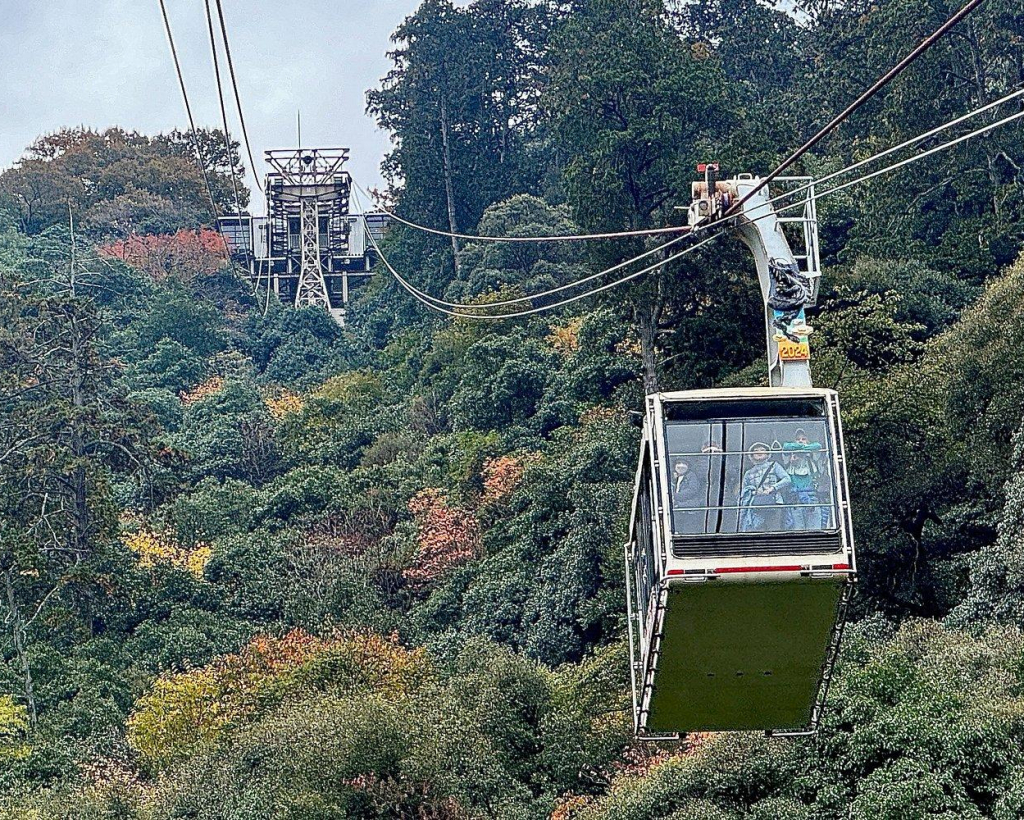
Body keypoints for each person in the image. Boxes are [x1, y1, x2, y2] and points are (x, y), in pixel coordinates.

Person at [739, 442, 792, 532]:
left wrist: (772, 488)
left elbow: (787, 479)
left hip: (775, 502)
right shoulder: (748, 473)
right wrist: (754, 492)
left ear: (767, 454)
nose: (759, 452)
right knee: (757, 531)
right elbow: (744, 491)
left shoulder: (774, 465)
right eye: (756, 451)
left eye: (762, 450)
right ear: (752, 456)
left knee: (774, 530)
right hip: (756, 506)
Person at [783, 428, 824, 529]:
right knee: (798, 529)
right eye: (797, 439)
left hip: (812, 498)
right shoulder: (788, 457)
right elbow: (785, 446)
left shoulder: (812, 456)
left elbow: (818, 446)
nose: (800, 441)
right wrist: (798, 449)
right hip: (795, 500)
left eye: (803, 439)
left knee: (814, 528)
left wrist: (802, 449)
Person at [671, 459, 704, 533]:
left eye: (684, 463)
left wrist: (675, 496)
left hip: (689, 510)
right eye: (679, 463)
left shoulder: (692, 476)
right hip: (680, 510)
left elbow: (692, 490)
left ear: (688, 466)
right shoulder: (674, 478)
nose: (681, 466)